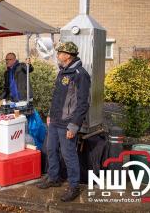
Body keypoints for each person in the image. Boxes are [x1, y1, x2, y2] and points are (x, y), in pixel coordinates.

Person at [36, 42, 90, 202]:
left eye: (60, 52)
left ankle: (74, 186)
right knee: (51, 149)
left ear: (68, 55)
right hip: (54, 121)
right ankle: (54, 177)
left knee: (69, 155)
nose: (58, 54)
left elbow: (83, 103)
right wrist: (50, 115)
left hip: (67, 123)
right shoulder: (63, 72)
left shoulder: (80, 74)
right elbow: (57, 97)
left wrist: (74, 125)